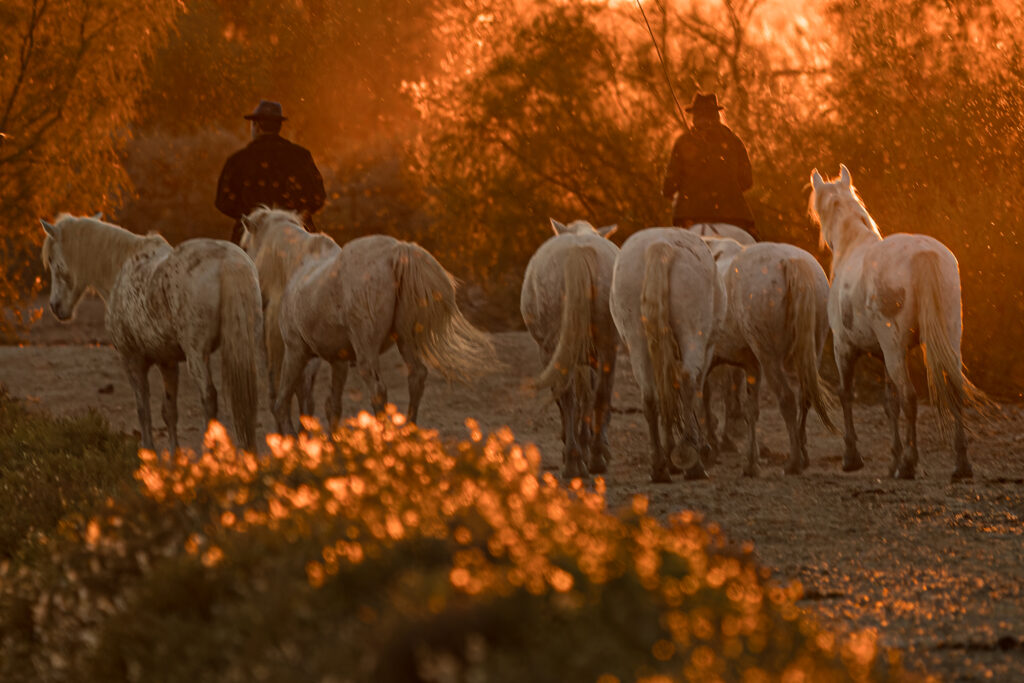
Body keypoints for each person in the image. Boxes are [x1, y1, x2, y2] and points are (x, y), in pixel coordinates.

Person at [215, 100, 326, 243]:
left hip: (251, 239)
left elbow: (223, 201)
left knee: (238, 263)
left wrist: (251, 216)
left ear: (257, 126)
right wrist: (297, 216)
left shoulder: (238, 160)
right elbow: (318, 196)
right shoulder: (301, 156)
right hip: (295, 237)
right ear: (279, 126)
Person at [662, 92, 756, 237]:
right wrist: (725, 191)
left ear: (694, 115)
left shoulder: (683, 141)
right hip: (735, 217)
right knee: (756, 253)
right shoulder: (734, 141)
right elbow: (747, 181)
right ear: (717, 115)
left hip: (690, 218)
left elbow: (668, 187)